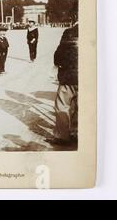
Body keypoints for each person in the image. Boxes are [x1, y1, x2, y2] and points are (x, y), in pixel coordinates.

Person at [49, 14, 79, 145]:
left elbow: (58, 55)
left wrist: (60, 64)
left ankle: (63, 136)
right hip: (88, 77)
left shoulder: (69, 32)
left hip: (69, 77)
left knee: (62, 106)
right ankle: (76, 132)